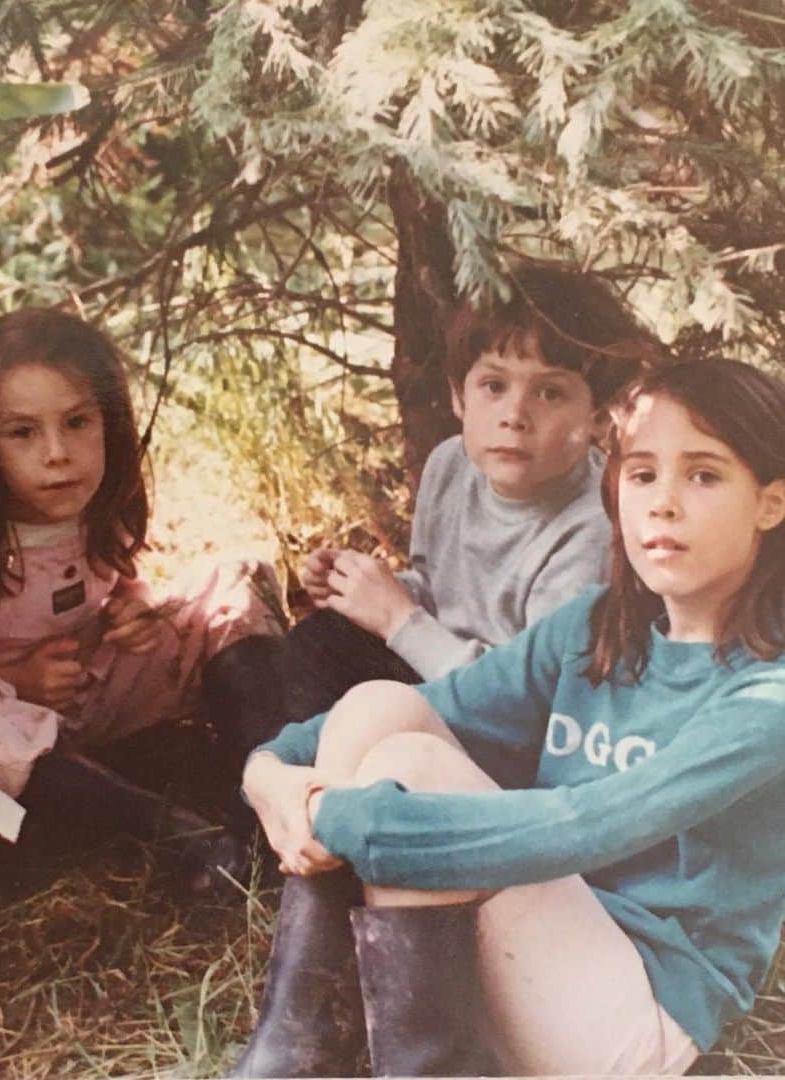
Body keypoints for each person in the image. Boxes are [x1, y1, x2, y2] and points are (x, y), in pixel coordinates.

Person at [235, 357, 785, 1077]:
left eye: (704, 475)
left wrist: (340, 817)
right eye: (643, 473)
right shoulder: (596, 626)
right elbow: (417, 713)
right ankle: (296, 1047)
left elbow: (585, 826)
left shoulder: (768, 695)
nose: (664, 503)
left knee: (414, 772)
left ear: (771, 504)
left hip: (634, 1016)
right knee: (381, 707)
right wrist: (270, 775)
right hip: (529, 960)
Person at [0, 308, 286, 883]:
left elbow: (117, 580)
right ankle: (175, 835)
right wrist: (21, 681)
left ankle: (274, 779)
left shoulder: (100, 506)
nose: (58, 453)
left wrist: (137, 610)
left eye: (78, 422)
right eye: (23, 432)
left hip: (100, 693)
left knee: (235, 576)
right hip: (14, 737)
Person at [285, 266, 660, 782]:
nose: (515, 415)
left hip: (514, 738)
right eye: (493, 386)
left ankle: (341, 813)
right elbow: (439, 591)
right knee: (316, 643)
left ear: (600, 418)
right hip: (441, 677)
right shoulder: (450, 465)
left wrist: (398, 619)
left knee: (369, 709)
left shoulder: (591, 531)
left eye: (550, 393)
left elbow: (531, 703)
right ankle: (292, 798)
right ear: (459, 396)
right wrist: (366, 589)